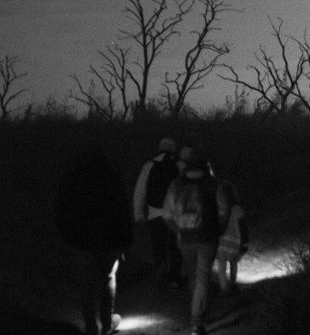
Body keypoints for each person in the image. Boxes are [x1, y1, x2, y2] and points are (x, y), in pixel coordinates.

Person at [55, 141, 133, 335]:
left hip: (81, 243)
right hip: (110, 242)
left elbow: (61, 210)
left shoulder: (73, 181)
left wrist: (68, 236)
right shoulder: (113, 179)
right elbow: (124, 212)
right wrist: (125, 241)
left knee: (87, 284)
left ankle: (91, 327)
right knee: (108, 279)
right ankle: (106, 324)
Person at [163, 146, 230, 335]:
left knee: (193, 276)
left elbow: (167, 214)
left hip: (185, 238)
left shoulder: (176, 184)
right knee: (202, 277)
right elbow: (224, 211)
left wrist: (177, 230)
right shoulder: (214, 183)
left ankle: (197, 312)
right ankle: (197, 320)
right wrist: (219, 230)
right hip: (207, 237)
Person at [132, 137, 182, 287]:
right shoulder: (179, 165)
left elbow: (140, 192)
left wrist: (139, 214)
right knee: (175, 247)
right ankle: (175, 279)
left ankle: (161, 276)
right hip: (176, 215)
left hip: (155, 214)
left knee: (158, 247)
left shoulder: (149, 165)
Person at [215, 181, 248, 294]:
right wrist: (244, 243)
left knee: (221, 266)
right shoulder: (238, 210)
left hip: (221, 242)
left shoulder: (219, 209)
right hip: (234, 242)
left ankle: (224, 288)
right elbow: (243, 227)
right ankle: (232, 284)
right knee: (233, 263)